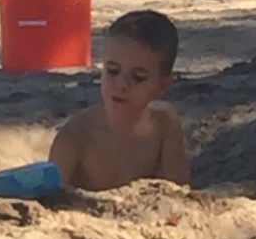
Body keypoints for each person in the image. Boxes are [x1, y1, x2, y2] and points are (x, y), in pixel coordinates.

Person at [49, 10, 190, 190]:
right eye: (113, 71)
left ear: (162, 87)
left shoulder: (164, 124)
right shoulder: (76, 136)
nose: (122, 84)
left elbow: (180, 192)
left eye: (138, 77)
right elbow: (51, 200)